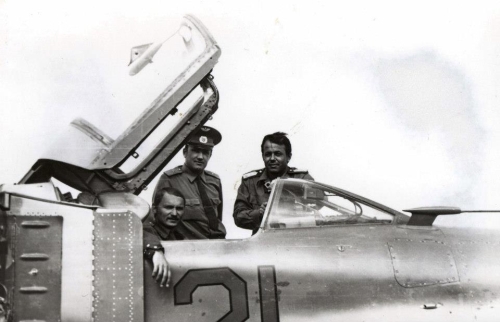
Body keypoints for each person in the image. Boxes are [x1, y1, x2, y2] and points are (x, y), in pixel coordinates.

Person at [152, 126, 226, 240]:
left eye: (205, 152)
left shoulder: (214, 181)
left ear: (210, 155)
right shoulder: (169, 179)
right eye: (196, 150)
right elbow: (157, 219)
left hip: (217, 245)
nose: (200, 157)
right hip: (189, 248)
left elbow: (217, 217)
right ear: (185, 152)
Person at [233, 132, 314, 234]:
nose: (272, 158)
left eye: (277, 154)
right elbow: (238, 217)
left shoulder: (302, 178)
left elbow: (317, 208)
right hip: (263, 243)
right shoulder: (250, 182)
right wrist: (260, 213)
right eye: (268, 154)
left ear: (288, 157)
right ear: (262, 156)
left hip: (297, 239)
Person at [143, 187, 185, 287]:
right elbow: (142, 234)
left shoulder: (178, 236)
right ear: (155, 209)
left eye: (179, 208)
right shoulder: (146, 231)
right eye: (168, 207)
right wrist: (156, 251)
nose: (175, 214)